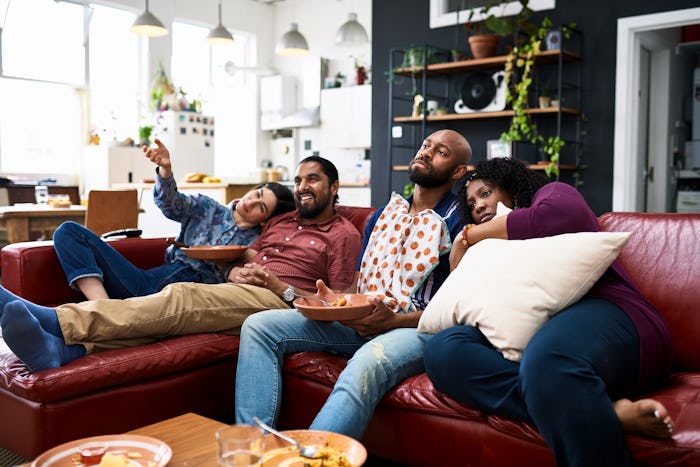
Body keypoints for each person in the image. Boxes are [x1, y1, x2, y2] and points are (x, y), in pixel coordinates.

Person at [0, 155, 362, 373]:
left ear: (334, 187)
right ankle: (62, 352)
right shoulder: (281, 223)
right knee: (175, 323)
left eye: (312, 179)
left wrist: (279, 286)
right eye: (298, 180)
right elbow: (245, 257)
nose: (302, 186)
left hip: (280, 301)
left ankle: (56, 320)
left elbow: (341, 301)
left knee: (183, 297)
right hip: (240, 289)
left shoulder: (343, 234)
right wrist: (236, 270)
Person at [423, 158, 673, 467]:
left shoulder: (553, 193)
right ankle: (599, 411)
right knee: (443, 351)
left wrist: (470, 235)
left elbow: (559, 216)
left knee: (548, 360)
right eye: (472, 204)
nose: (479, 206)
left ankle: (574, 401)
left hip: (620, 319)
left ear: (511, 185)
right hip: (539, 329)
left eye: (485, 193)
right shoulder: (493, 246)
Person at [233, 129, 472, 438]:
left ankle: (312, 461)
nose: (426, 152)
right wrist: (336, 301)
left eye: (441, 152)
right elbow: (356, 289)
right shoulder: (382, 216)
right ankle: (253, 448)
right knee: (258, 326)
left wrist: (395, 320)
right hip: (362, 321)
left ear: (458, 171)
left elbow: (458, 306)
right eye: (426, 145)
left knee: (365, 363)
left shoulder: (461, 224)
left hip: (414, 328)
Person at [53, 138, 295, 300]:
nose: (252, 201)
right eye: (258, 193)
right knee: (68, 231)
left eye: (261, 206)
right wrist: (165, 172)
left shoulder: (257, 241)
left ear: (265, 220)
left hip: (195, 294)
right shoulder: (207, 207)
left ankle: (110, 312)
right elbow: (170, 204)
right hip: (160, 277)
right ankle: (103, 307)